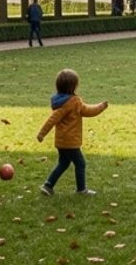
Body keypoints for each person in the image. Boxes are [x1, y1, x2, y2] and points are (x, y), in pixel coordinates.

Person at [36, 68, 108, 196]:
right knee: (80, 163)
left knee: (63, 163)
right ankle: (81, 189)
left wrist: (42, 134)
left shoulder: (60, 102)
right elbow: (88, 111)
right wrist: (101, 107)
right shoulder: (74, 102)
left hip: (61, 141)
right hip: (71, 142)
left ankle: (48, 185)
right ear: (73, 86)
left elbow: (52, 119)